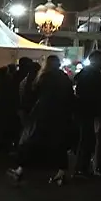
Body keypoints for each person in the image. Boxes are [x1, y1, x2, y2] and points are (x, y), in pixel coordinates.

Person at [8, 54, 75, 185]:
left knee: (32, 140)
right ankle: (61, 172)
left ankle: (21, 169)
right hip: (60, 114)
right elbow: (69, 96)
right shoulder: (63, 77)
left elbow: (34, 93)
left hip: (43, 112)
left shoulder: (43, 77)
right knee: (59, 143)